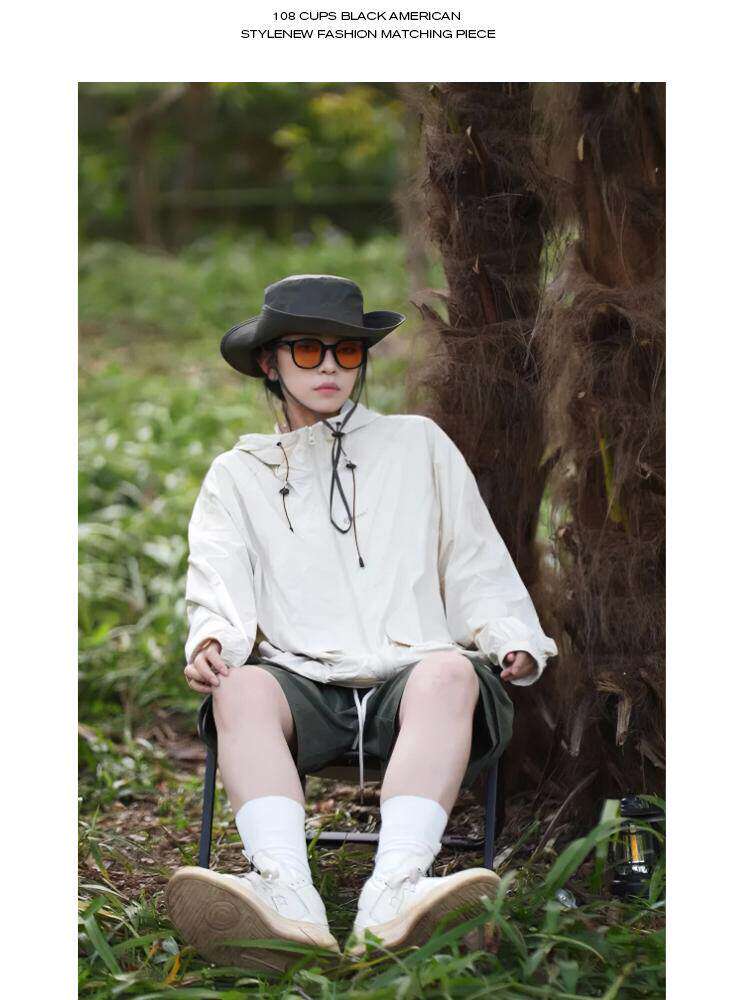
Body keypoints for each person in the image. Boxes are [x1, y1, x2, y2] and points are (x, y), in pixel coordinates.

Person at [166, 274, 558, 970]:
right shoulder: (239, 473)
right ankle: (284, 892)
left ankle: (396, 890)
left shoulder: (418, 445)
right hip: (300, 685)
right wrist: (212, 641)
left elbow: (472, 555)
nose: (328, 367)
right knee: (240, 687)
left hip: (412, 679)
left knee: (449, 674)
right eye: (307, 350)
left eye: (346, 352)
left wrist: (511, 636)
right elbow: (218, 576)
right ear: (270, 363)